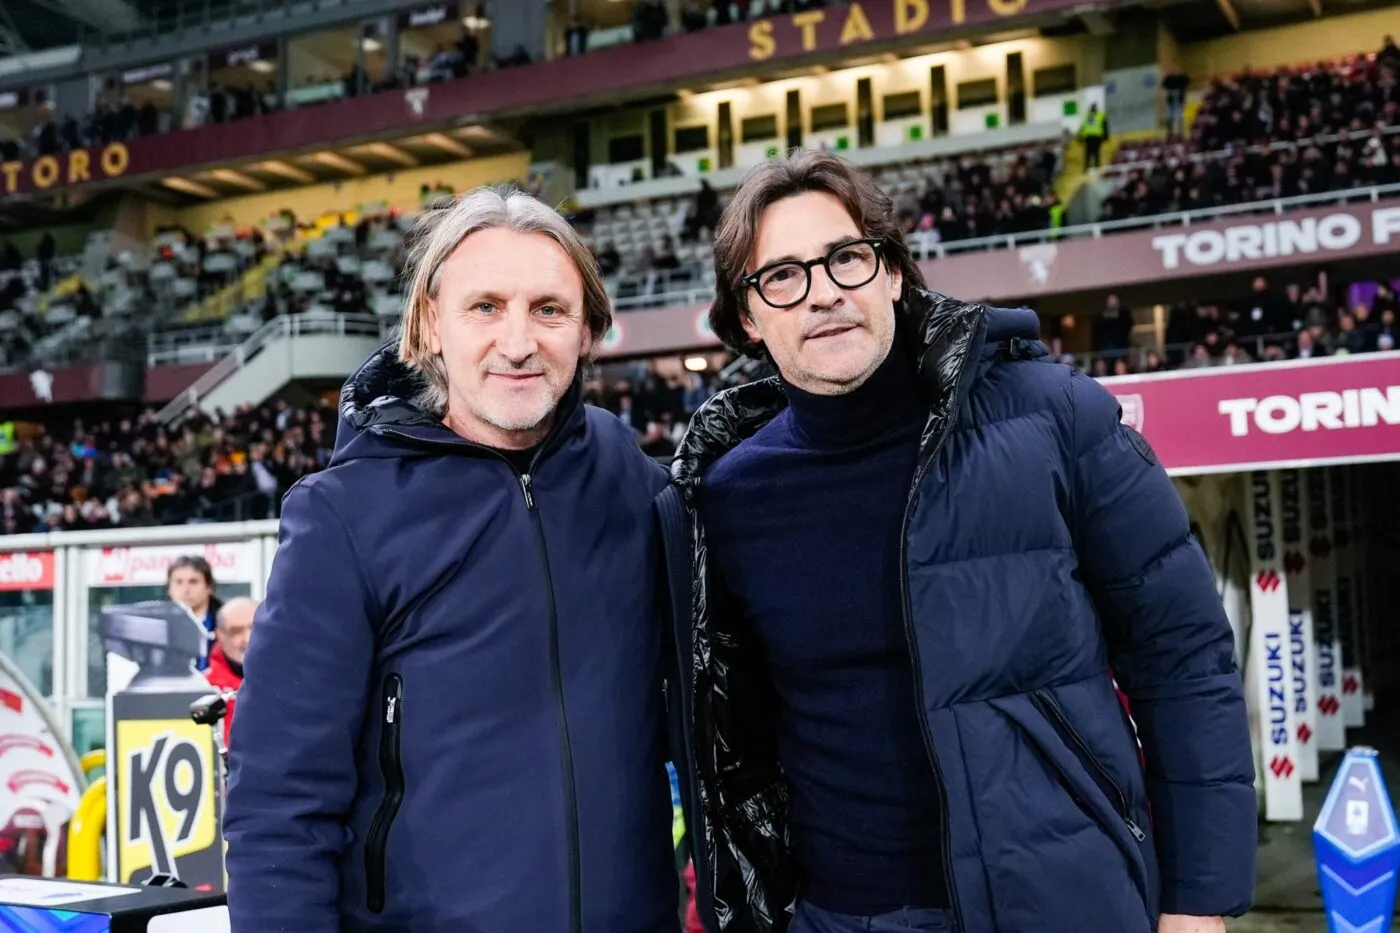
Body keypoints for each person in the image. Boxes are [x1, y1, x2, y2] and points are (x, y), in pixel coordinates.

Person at [660, 151, 1256, 933]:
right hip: (839, 917)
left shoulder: (1056, 417)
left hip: (1061, 903)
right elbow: (733, 738)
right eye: (783, 276)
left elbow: (1183, 655)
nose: (824, 292)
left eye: (846, 258)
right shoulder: (725, 497)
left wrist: (1198, 896)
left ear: (892, 274)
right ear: (747, 317)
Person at [224, 186, 677, 933]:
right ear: (430, 323)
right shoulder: (344, 515)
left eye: (549, 309)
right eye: (486, 307)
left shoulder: (631, 478)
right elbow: (279, 802)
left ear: (588, 330)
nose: (518, 342)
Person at [205, 596, 256, 747]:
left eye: (255, 628)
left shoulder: (292, 680)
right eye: (236, 631)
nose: (247, 639)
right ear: (220, 635)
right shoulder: (205, 689)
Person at [166, 555, 221, 670]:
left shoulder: (226, 623)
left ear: (209, 587)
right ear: (169, 589)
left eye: (193, 582)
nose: (185, 589)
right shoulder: (159, 625)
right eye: (179, 582)